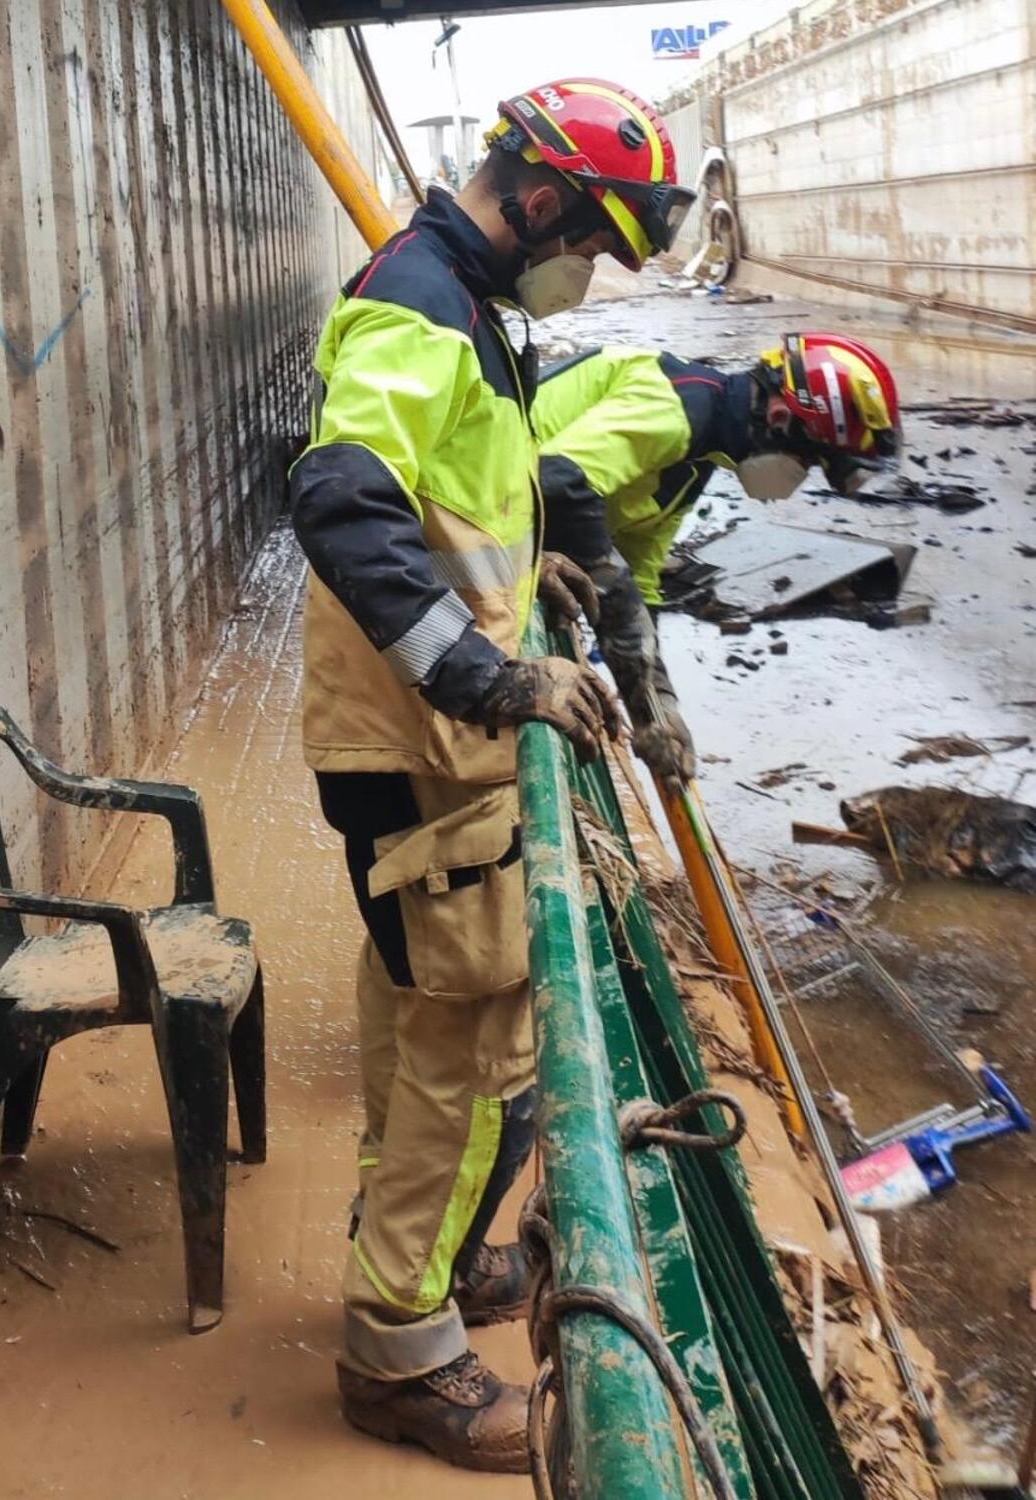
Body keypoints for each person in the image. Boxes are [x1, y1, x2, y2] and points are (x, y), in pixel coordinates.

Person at [289, 78, 693, 1474]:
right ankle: (401, 1354)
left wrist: (531, 579)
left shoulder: (464, 306)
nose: (599, 269)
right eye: (596, 237)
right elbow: (342, 495)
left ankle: (426, 1261)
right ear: (536, 205)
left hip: (410, 746)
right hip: (423, 744)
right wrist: (486, 673)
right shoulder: (420, 302)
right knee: (474, 1065)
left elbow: (449, 499)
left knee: (430, 1032)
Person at [531, 332, 903, 788]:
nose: (800, 479)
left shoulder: (692, 460)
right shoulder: (678, 408)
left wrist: (656, 706)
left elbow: (639, 579)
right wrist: (611, 582)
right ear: (781, 417)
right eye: (809, 462)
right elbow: (558, 481)